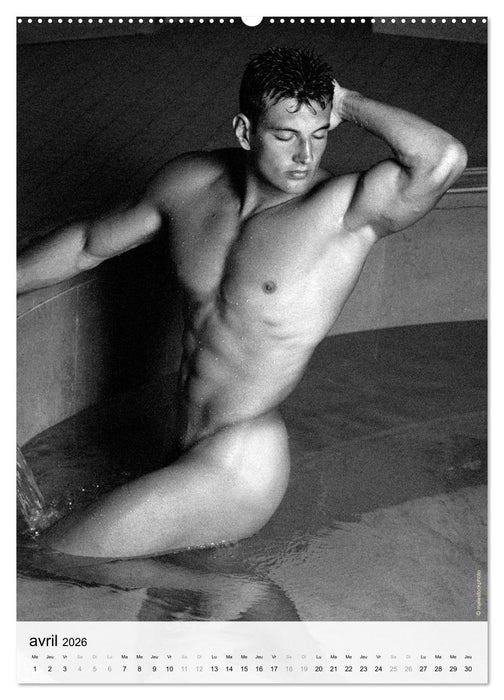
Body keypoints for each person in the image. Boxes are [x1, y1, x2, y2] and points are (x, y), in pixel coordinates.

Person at [17, 47, 467, 559]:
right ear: (245, 131)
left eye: (320, 134)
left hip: (240, 460)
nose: (305, 156)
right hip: (184, 443)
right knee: (165, 604)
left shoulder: (343, 213)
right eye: (286, 135)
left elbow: (443, 158)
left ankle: (242, 594)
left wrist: (346, 101)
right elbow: (86, 244)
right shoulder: (190, 184)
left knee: (50, 555)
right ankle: (231, 594)